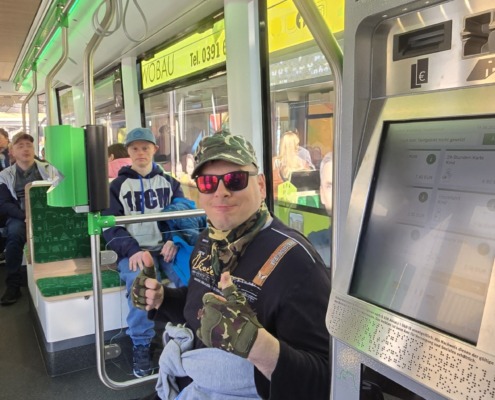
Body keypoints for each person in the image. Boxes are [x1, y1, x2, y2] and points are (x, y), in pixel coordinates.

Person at [132, 131, 331, 399]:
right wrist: (162, 299)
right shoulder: (208, 240)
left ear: (260, 185)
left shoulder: (296, 263)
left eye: (235, 180)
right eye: (208, 182)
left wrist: (258, 346)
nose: (221, 192)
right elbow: (202, 310)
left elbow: (327, 381)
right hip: (192, 380)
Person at [101, 127, 187, 378]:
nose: (140, 152)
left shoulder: (170, 183)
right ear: (128, 151)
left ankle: (191, 329)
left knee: (193, 273)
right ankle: (142, 344)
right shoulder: (116, 187)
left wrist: (175, 239)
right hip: (134, 249)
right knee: (141, 284)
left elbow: (183, 217)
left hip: (166, 246)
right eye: (135, 148)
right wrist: (133, 250)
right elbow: (110, 226)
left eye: (145, 147)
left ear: (154, 150)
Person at [0, 132, 57, 305]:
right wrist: (25, 217)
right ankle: (13, 285)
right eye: (20, 146)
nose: (26, 149)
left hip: (47, 214)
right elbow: (4, 203)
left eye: (29, 145)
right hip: (20, 216)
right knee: (14, 234)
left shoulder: (49, 170)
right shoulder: (5, 175)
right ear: (12, 152)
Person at [308, 152, 333, 268]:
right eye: (330, 186)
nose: (337, 193)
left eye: (344, 185)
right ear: (322, 194)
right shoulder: (314, 245)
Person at [272, 130, 313, 196]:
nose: (298, 147)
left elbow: (309, 181)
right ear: (289, 146)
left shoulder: (302, 162)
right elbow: (272, 185)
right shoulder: (275, 162)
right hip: (279, 198)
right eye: (296, 145)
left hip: (299, 197)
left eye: (298, 145)